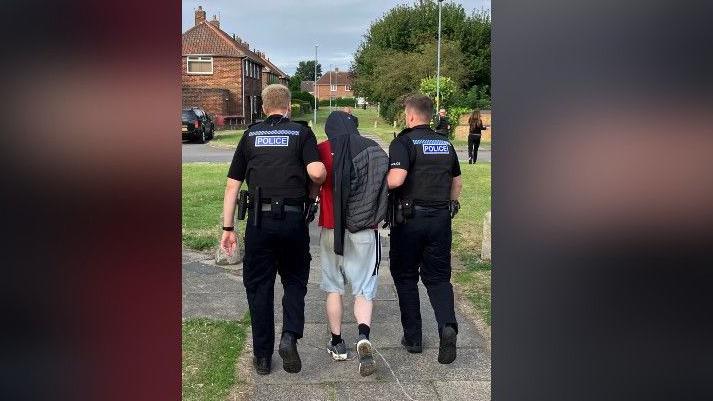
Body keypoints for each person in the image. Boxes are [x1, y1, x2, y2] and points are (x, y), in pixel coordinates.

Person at [220, 84, 326, 375]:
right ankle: (290, 336)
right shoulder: (301, 133)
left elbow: (232, 185)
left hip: (258, 222)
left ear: (264, 108)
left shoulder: (250, 135)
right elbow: (316, 172)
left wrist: (228, 227)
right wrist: (318, 183)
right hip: (293, 221)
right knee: (294, 281)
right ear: (289, 106)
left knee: (259, 287)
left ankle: (263, 358)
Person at [386, 95, 463, 364]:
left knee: (406, 276)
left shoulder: (403, 142)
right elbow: (456, 182)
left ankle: (414, 338)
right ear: (430, 116)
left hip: (409, 220)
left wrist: (380, 184)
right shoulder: (444, 142)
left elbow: (396, 180)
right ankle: (447, 326)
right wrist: (450, 204)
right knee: (439, 278)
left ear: (410, 115)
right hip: (440, 218)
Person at [317, 110, 389, 377]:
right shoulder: (372, 148)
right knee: (363, 290)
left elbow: (313, 182)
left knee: (333, 288)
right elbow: (389, 181)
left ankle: (337, 343)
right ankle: (363, 336)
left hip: (330, 228)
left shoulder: (321, 149)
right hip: (364, 230)